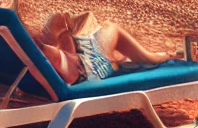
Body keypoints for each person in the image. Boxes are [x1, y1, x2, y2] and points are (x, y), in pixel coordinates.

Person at [33, 11, 176, 84]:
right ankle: (157, 58)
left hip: (85, 63)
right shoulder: (45, 52)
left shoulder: (27, 55)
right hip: (91, 68)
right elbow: (66, 61)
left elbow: (67, 56)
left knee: (77, 19)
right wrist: (56, 33)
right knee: (111, 27)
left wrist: (63, 33)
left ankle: (124, 60)